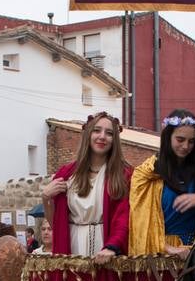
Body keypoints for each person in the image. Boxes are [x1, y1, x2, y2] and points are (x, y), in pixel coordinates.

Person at [128, 109, 195, 257]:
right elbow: (140, 224)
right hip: (161, 257)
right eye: (180, 140)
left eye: (191, 141)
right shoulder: (147, 176)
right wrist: (169, 249)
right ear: (168, 137)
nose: (186, 146)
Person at [42, 111, 132, 260]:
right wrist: (46, 197)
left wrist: (112, 247)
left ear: (114, 140)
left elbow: (125, 218)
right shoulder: (66, 174)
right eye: (97, 130)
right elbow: (56, 225)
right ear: (88, 134)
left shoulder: (124, 175)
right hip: (72, 248)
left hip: (106, 250)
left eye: (109, 133)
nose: (102, 136)